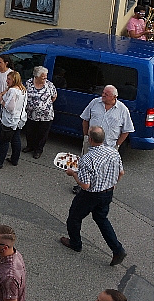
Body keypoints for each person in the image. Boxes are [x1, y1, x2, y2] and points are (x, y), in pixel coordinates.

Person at [60, 126, 127, 266]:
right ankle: (117, 249)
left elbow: (85, 185)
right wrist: (112, 184)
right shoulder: (113, 152)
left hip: (90, 195)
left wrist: (73, 174)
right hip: (108, 192)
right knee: (101, 219)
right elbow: (121, 173)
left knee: (74, 217)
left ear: (90, 139)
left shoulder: (88, 158)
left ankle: (75, 243)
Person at [0, 71, 26, 169]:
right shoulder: (23, 89)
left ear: (14, 80)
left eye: (9, 79)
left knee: (4, 141)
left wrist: (1, 100)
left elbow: (10, 107)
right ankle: (14, 159)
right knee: (15, 140)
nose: (7, 81)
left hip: (9, 120)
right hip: (19, 119)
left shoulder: (12, 91)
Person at [23, 66, 57, 159]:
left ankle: (38, 150)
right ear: (37, 76)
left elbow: (54, 96)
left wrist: (44, 106)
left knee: (42, 134)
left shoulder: (49, 85)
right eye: (43, 77)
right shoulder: (29, 83)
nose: (45, 78)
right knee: (30, 131)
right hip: (31, 114)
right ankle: (30, 146)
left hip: (45, 116)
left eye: (46, 76)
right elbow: (24, 95)